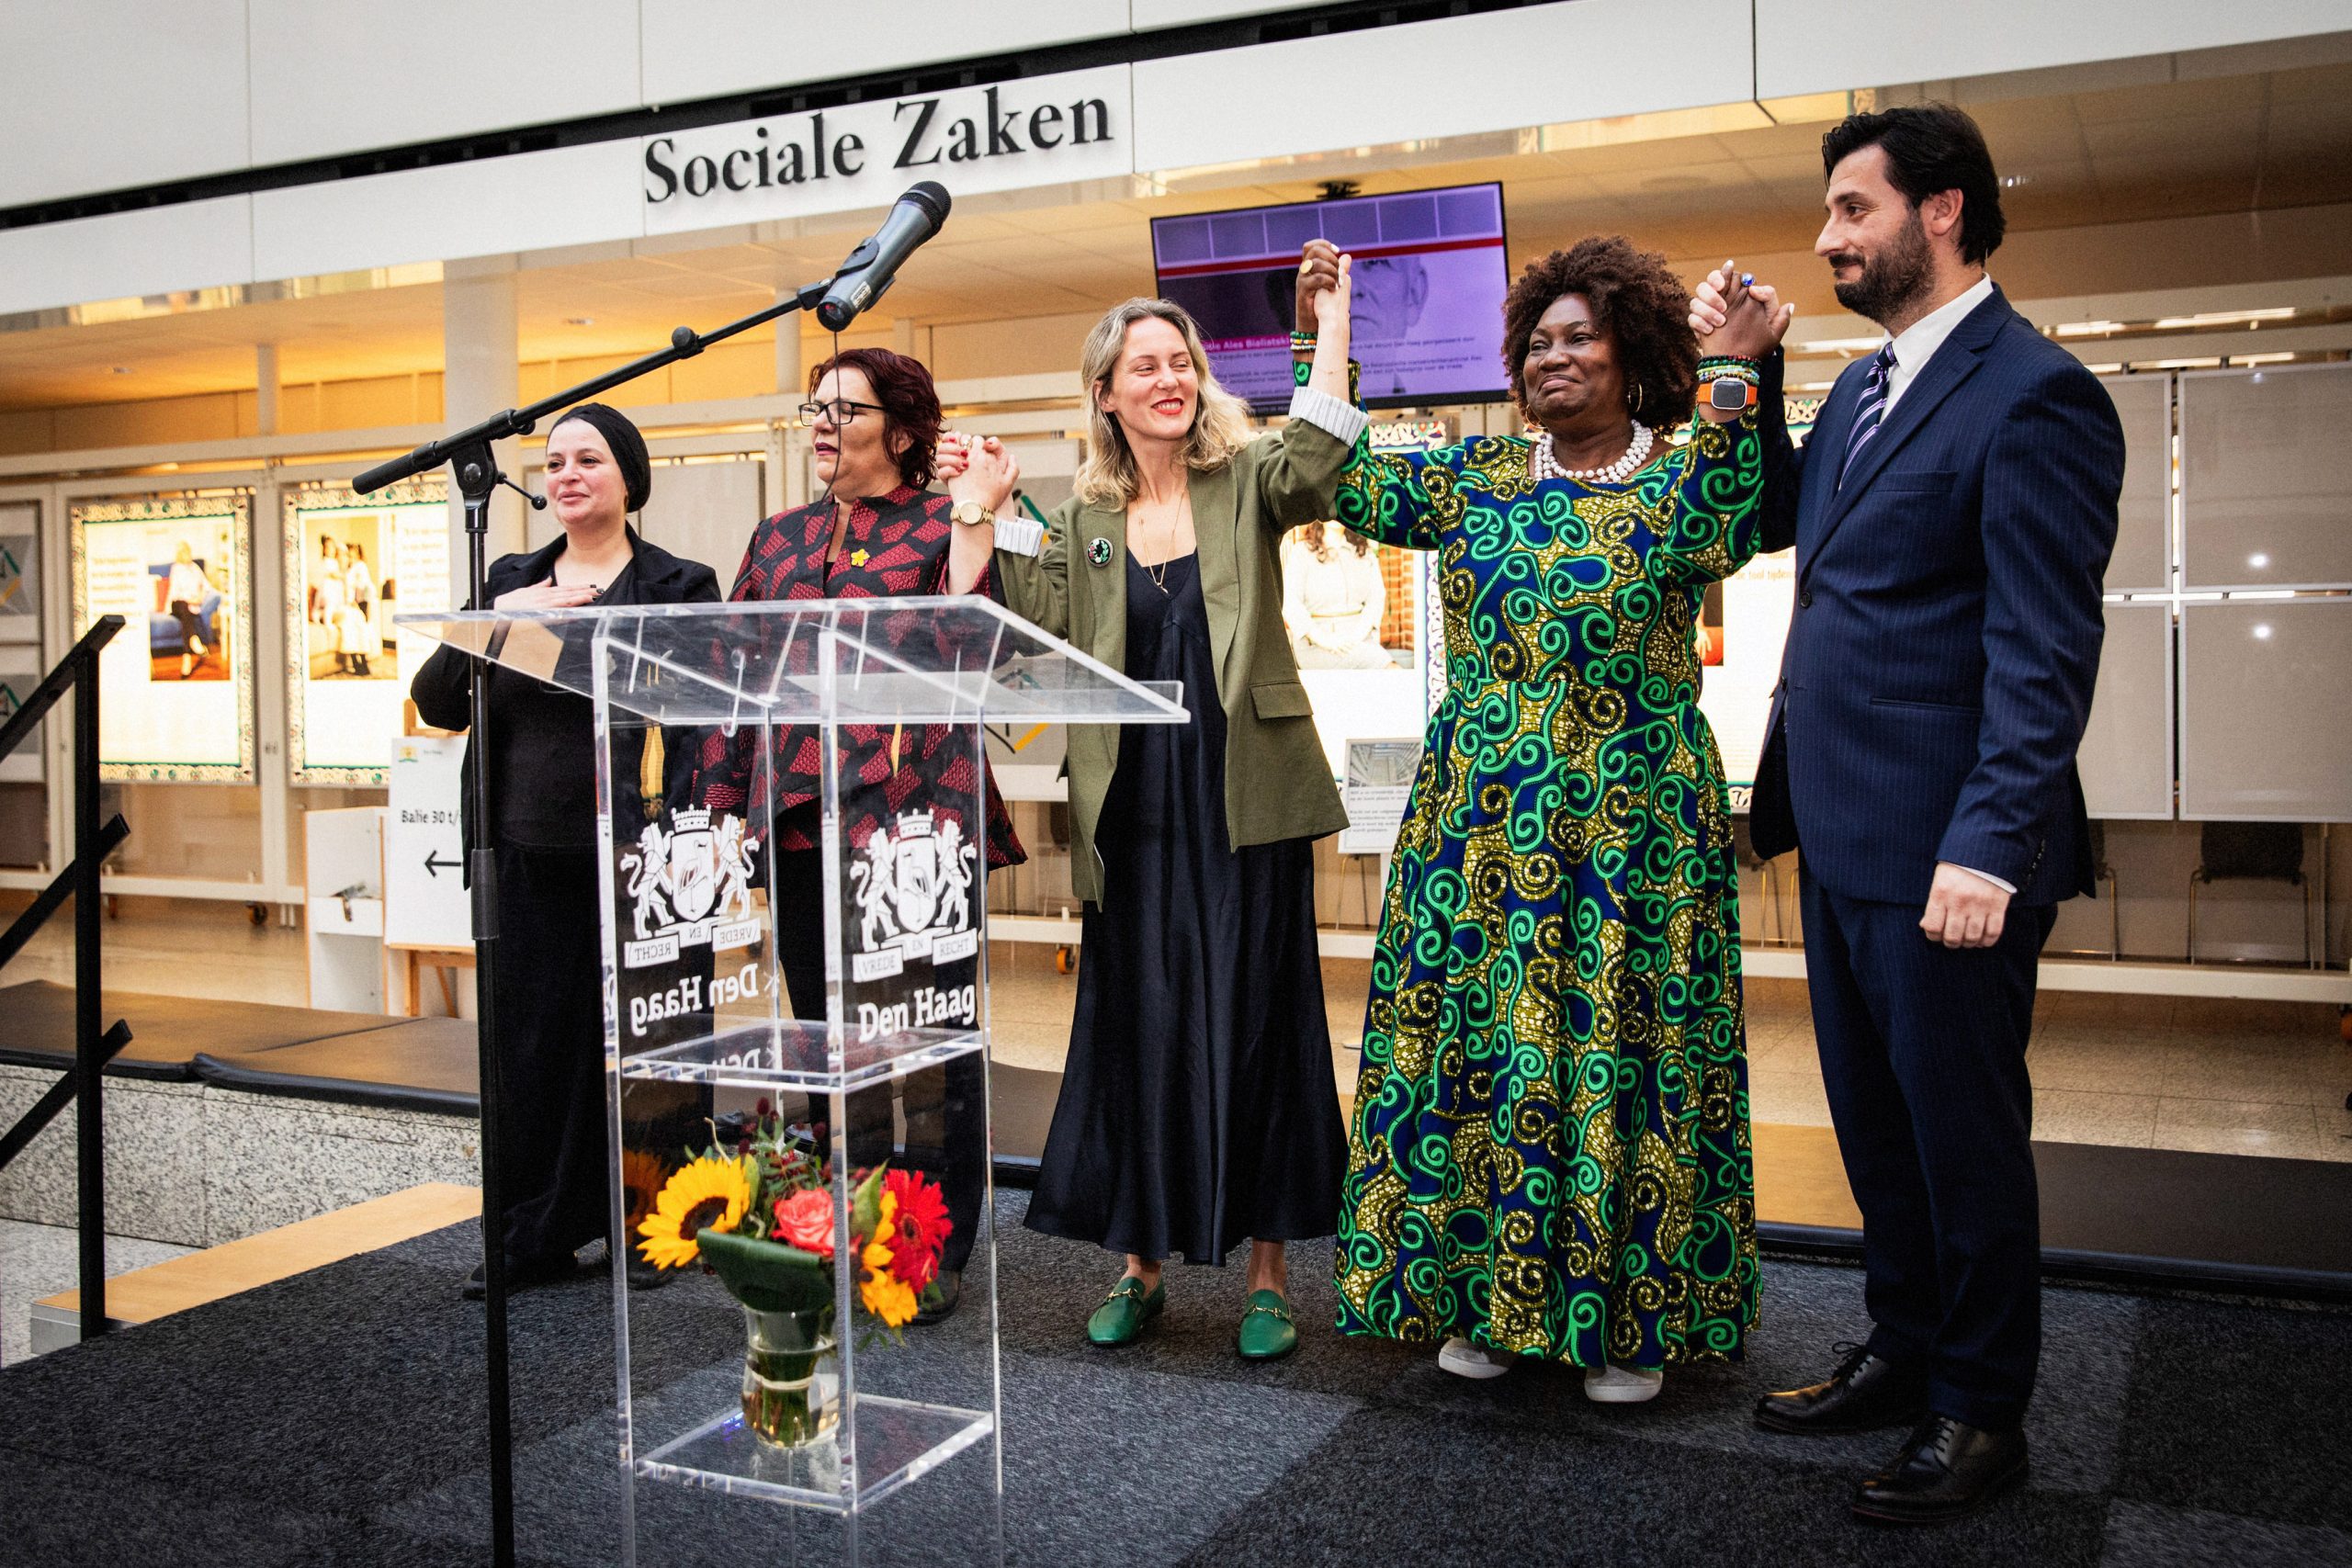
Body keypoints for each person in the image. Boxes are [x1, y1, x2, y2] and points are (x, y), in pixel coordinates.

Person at [1691, 103, 2122, 1523]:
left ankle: (1982, 1407)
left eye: (1853, 212)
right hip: (1843, 825)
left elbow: (2042, 652)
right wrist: (1747, 374)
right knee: (1878, 1128)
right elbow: (1770, 523)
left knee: (1963, 1141)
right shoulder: (1870, 388)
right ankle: (1906, 1341)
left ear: (1942, 212)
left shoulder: (2035, 393)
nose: (1828, 238)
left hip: (1951, 852)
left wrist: (1992, 844)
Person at [1329, 236, 1792, 1403]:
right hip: (1476, 826)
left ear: (1634, 353)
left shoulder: (1688, 473)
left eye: (1579, 336)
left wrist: (1735, 364)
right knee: (1486, 1054)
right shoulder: (1475, 475)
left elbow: (1747, 507)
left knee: (1626, 1058)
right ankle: (1482, 1299)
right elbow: (1341, 479)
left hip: (1629, 825)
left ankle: (1625, 1317)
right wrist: (1322, 329)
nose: (1553, 356)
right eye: (1537, 340)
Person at [945, 244, 1363, 1360]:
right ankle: (1141, 1267)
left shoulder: (1248, 478)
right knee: (1136, 1028)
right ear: (1106, 393)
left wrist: (1326, 322)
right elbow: (999, 624)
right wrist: (976, 511)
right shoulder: (1079, 519)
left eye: (1180, 362)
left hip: (1244, 800)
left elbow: (1319, 458)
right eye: (1145, 366)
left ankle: (1268, 1276)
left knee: (1262, 1023)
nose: (1169, 379)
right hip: (1131, 813)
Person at [694, 346, 1021, 1325]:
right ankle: (841, 1222)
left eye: (848, 408)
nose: (823, 423)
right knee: (829, 1044)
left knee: (926, 1043)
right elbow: (730, 675)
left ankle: (929, 1242)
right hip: (800, 825)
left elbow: (977, 642)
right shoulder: (779, 537)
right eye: (815, 406)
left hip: (916, 834)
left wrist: (976, 516)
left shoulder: (944, 518)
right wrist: (719, 809)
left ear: (905, 430)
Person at [411, 401, 721, 1298]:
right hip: (526, 849)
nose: (568, 474)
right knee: (534, 1052)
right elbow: (439, 699)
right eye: (553, 463)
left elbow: (704, 711)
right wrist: (506, 616)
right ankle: (532, 1235)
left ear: (629, 478)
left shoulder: (675, 585)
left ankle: (653, 1226)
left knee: (650, 1040)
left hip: (644, 853)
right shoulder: (511, 580)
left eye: (589, 458)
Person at [1281, 521, 1390, 669]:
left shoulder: (1364, 552)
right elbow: (1291, 603)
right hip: (1316, 646)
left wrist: (1357, 635)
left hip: (1359, 641)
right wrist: (1324, 639)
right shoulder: (1301, 552)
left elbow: (1376, 598)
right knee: (1389, 666)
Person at [165, 543, 215, 679]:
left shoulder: (195, 568)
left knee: (186, 618)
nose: (186, 555)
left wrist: (200, 597)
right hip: (177, 603)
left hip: (190, 606)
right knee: (184, 606)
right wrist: (190, 600)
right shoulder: (176, 568)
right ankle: (194, 641)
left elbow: (207, 586)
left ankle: (187, 657)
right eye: (183, 553)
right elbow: (175, 592)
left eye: (187, 552)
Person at [337, 540, 377, 676]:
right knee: (352, 625)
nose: (349, 557)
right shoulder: (345, 570)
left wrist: (355, 601)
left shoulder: (359, 567)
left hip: (359, 602)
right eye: (348, 555)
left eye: (351, 554)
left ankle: (363, 662)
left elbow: (362, 587)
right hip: (347, 605)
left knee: (360, 624)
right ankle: (356, 662)